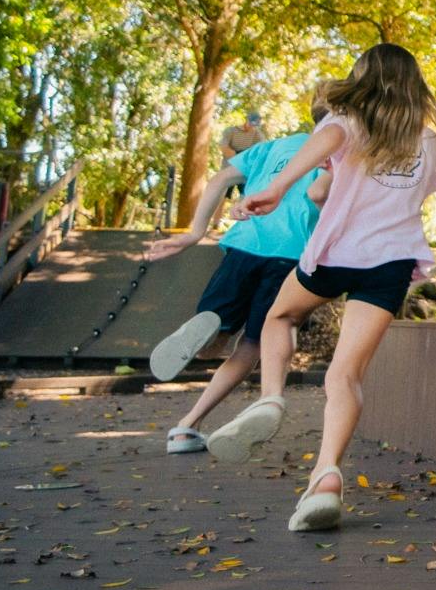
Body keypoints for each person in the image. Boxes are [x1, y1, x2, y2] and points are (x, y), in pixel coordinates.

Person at [201, 44, 436, 533]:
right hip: (391, 265)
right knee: (344, 377)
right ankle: (326, 477)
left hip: (337, 255)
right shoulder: (427, 141)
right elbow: (419, 192)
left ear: (362, 78)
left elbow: (321, 168)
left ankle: (272, 396)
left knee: (280, 316)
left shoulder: (345, 122)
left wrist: (278, 188)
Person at [142, 105, 331, 453]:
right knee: (254, 345)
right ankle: (233, 409)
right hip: (290, 256)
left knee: (218, 333)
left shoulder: (272, 146)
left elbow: (220, 180)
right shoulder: (339, 154)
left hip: (243, 244)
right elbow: (322, 198)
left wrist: (195, 232)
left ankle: (189, 418)